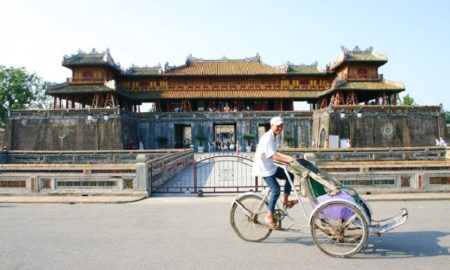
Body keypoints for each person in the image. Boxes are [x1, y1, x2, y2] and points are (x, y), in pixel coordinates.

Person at [252, 116, 297, 229]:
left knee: (290, 175)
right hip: (264, 168)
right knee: (276, 189)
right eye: (277, 126)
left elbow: (276, 154)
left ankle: (285, 201)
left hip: (270, 166)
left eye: (281, 126)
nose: (280, 128)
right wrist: (287, 160)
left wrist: (289, 158)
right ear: (272, 126)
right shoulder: (267, 137)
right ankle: (269, 216)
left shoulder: (275, 137)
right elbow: (272, 155)